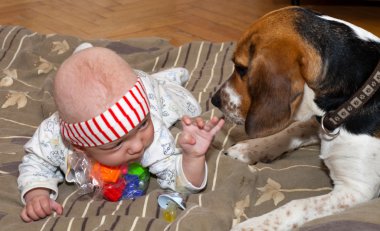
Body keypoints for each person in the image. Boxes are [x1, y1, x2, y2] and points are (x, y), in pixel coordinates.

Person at [17, 45, 224, 222]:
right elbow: (36, 162)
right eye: (116, 144)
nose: (137, 146)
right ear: (80, 146)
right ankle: (85, 55)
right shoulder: (55, 138)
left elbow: (180, 183)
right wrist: (37, 193)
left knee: (182, 104)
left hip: (148, 94)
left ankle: (163, 81)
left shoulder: (152, 137)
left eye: (143, 126)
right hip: (117, 98)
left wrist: (193, 157)